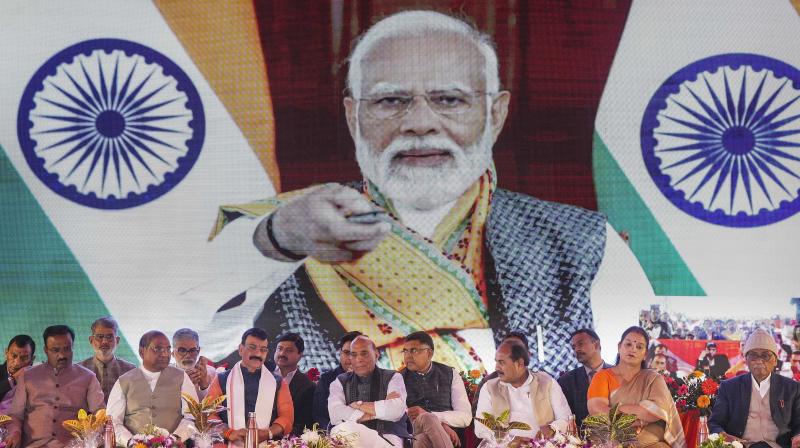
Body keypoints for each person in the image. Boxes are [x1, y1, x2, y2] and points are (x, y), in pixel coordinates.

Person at [208, 9, 652, 374]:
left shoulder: (583, 242)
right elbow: (200, 339)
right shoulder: (284, 230)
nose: (419, 123)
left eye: (449, 100)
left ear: (496, 114)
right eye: (390, 101)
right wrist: (281, 240)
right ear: (352, 116)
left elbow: (628, 369)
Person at [6, 325, 104, 448]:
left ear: (73, 347)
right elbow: (15, 414)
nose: (62, 355)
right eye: (55, 350)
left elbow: (100, 414)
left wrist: (92, 437)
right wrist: (15, 433)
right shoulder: (28, 377)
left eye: (67, 349)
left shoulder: (88, 378)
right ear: (46, 350)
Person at [587, 326, 686, 448]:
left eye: (639, 347)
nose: (633, 349)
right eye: (628, 344)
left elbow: (655, 411)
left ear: (645, 354)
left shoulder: (653, 379)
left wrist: (616, 409)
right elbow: (597, 410)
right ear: (619, 347)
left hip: (648, 441)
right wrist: (635, 421)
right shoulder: (602, 376)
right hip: (611, 438)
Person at [709, 329, 800, 448]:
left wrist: (797, 436)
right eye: (753, 355)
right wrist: (723, 435)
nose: (759, 360)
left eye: (765, 355)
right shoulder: (729, 387)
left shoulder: (792, 388)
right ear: (746, 360)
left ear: (775, 361)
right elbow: (715, 422)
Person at [106, 330, 198, 444]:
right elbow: (113, 422)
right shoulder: (124, 381)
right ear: (141, 352)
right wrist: (131, 442)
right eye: (158, 349)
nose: (165, 354)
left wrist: (173, 439)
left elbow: (192, 417)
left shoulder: (181, 377)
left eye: (168, 349)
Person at [206, 327, 294, 444]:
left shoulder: (277, 382)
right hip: (227, 444)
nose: (257, 353)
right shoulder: (221, 379)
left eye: (263, 349)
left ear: (266, 353)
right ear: (241, 349)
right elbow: (208, 415)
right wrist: (229, 433)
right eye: (252, 348)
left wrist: (267, 433)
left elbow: (286, 418)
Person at [474, 340, 571, 444]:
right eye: (496, 362)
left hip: (543, 444)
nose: (496, 367)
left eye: (501, 362)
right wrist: (508, 441)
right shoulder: (489, 388)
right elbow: (481, 427)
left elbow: (566, 418)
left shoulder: (547, 383)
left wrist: (552, 428)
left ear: (520, 363)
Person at [328, 335, 411, 447]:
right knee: (343, 430)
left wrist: (357, 406)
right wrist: (374, 413)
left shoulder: (393, 377)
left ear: (376, 355)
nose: (359, 359)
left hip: (388, 438)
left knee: (345, 429)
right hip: (354, 437)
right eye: (354, 354)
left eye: (364, 353)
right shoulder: (340, 381)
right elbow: (335, 414)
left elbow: (395, 410)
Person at [400, 331, 471, 448]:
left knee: (422, 439)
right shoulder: (399, 378)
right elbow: (400, 415)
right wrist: (441, 425)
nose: (407, 356)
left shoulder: (450, 374)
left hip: (436, 439)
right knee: (426, 420)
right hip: (413, 430)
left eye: (413, 350)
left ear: (429, 353)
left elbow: (465, 416)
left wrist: (433, 417)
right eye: (405, 351)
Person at [558, 328, 611, 426]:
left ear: (596, 344)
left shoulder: (618, 374)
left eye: (581, 344)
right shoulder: (567, 381)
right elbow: (566, 417)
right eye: (573, 347)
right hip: (582, 439)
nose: (576, 349)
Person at [78, 317, 136, 404]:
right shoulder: (79, 370)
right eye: (99, 337)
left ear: (117, 340)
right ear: (91, 340)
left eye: (109, 337)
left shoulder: (130, 371)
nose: (104, 341)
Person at [314, 331, 362, 429]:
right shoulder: (327, 379)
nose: (351, 358)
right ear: (339, 353)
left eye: (356, 353)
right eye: (346, 352)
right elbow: (319, 415)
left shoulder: (378, 380)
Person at [273, 332, 315, 435]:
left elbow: (303, 424)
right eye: (280, 348)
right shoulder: (261, 373)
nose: (282, 353)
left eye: (289, 350)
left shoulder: (308, 386)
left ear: (300, 355)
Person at [171, 328, 216, 398]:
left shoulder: (211, 373)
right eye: (182, 350)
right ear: (173, 353)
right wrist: (184, 386)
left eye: (192, 350)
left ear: (198, 351)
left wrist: (204, 385)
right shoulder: (164, 375)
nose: (188, 355)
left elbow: (217, 406)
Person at [0, 335, 35, 411]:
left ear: (32, 359)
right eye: (14, 356)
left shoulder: (39, 378)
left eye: (24, 358)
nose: (17, 362)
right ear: (6, 353)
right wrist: (13, 380)